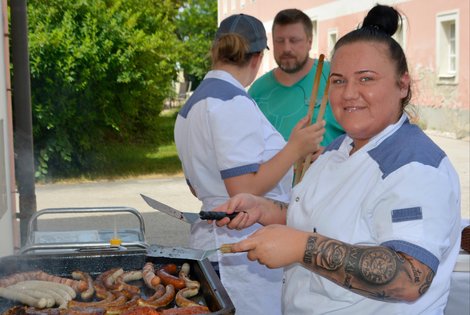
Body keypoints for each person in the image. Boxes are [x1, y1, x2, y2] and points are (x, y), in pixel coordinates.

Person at [213, 5, 462, 314]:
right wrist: (263, 208)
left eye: (366, 79)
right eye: (339, 80)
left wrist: (301, 247)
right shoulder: (339, 148)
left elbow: (410, 278)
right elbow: (322, 219)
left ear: (402, 84)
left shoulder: (416, 166)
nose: (349, 94)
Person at [173, 13, 325, 315]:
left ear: (216, 50)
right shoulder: (232, 102)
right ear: (257, 57)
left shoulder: (190, 106)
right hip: (242, 253)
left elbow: (197, 185)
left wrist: (292, 161)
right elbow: (242, 189)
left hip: (217, 245)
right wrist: (294, 148)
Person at [249, 8, 344, 145]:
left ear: (309, 42)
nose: (286, 48)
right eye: (280, 41)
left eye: (294, 40)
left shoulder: (334, 76)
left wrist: (332, 152)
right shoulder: (257, 90)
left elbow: (363, 131)